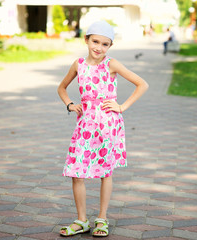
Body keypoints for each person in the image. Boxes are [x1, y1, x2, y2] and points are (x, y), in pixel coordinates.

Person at [57, 20, 149, 237]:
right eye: (95, 41)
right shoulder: (78, 65)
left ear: (110, 46)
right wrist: (70, 104)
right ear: (86, 40)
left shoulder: (111, 64)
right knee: (76, 171)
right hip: (85, 123)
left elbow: (142, 84)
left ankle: (102, 218)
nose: (98, 47)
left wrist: (122, 107)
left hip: (108, 124)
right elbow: (61, 87)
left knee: (105, 171)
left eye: (105, 44)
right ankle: (81, 220)